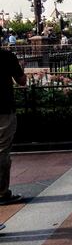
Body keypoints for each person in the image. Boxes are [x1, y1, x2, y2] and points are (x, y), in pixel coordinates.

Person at [0, 30, 27, 204]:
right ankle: (2, 192)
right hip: (3, 109)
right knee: (2, 150)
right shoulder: (6, 57)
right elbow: (22, 81)